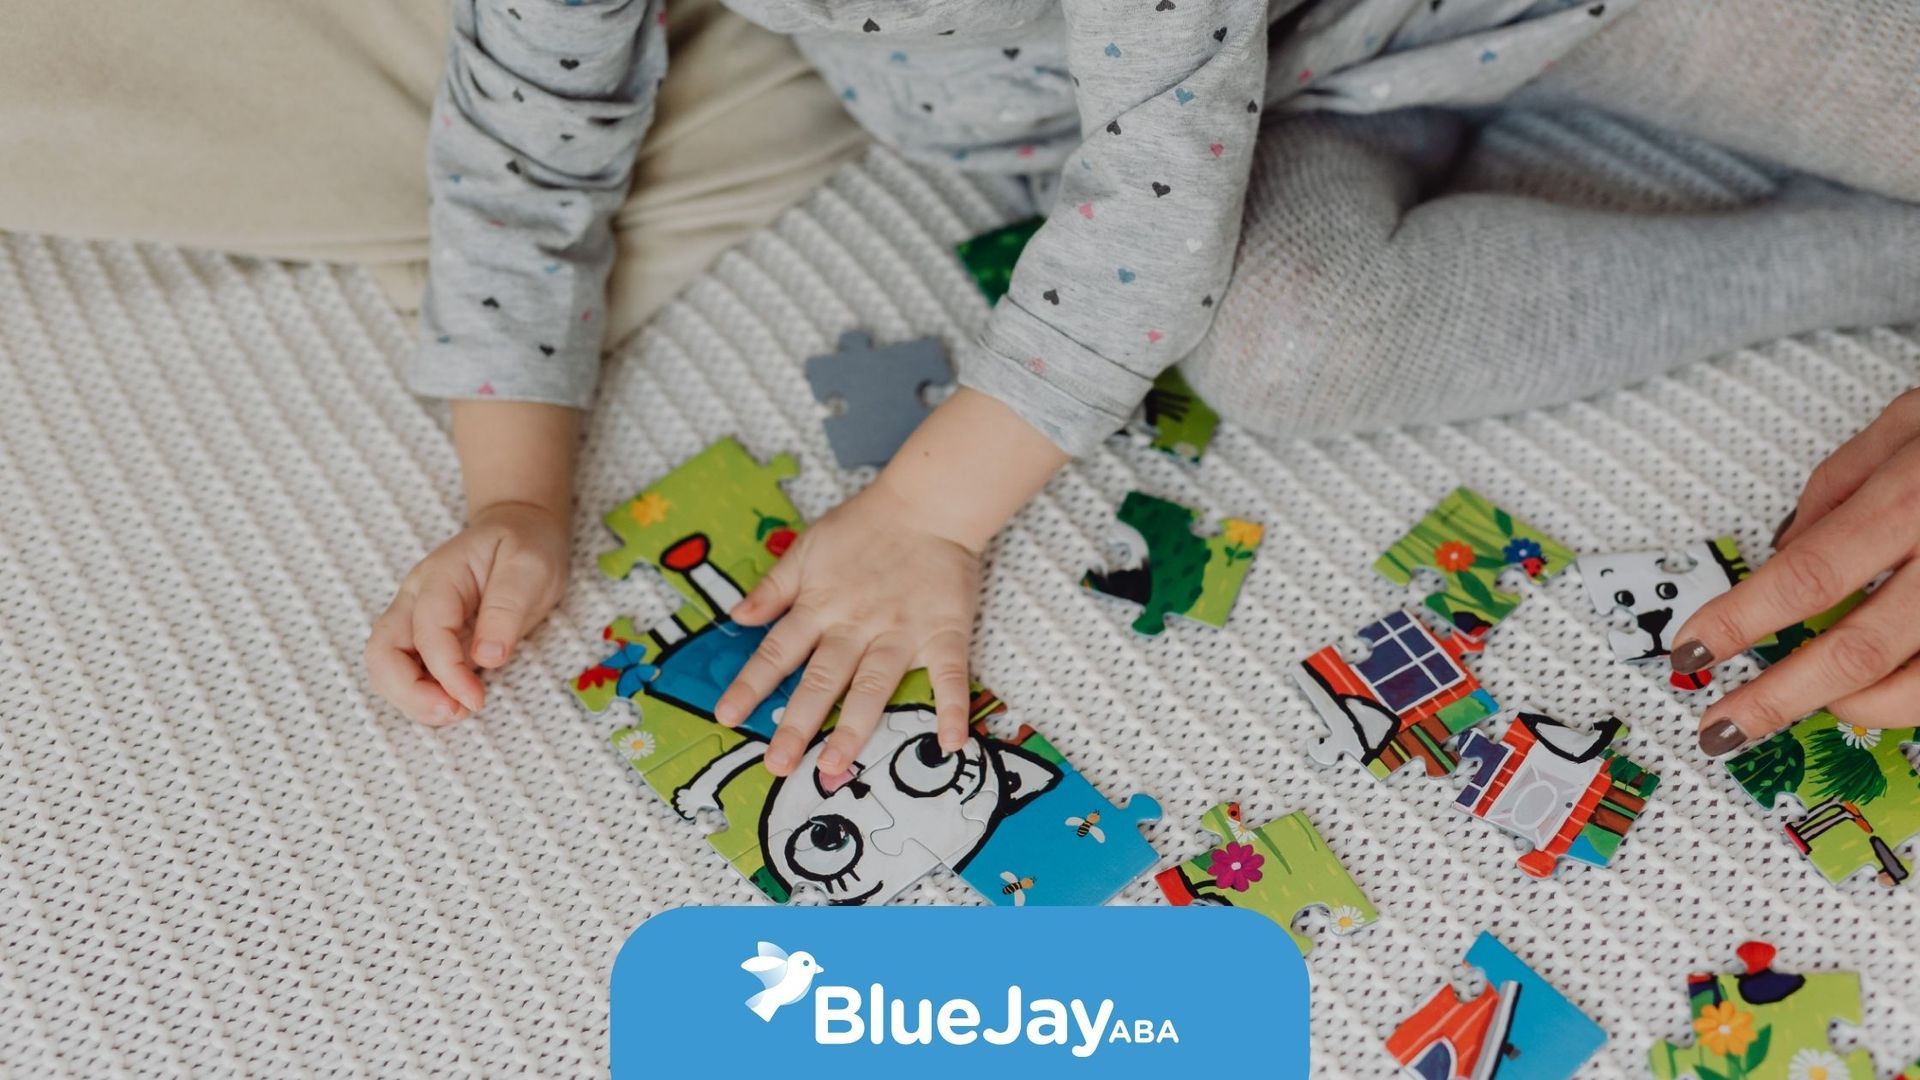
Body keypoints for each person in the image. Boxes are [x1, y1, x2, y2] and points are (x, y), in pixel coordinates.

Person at [369, 0, 1920, 770]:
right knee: (1289, 346)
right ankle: (1872, 264)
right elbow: (522, 156)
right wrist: (513, 497)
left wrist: (929, 512)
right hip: (1278, 116)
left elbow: (1155, 203)